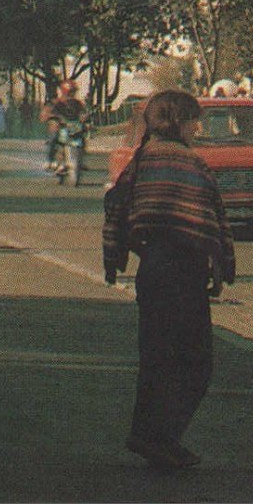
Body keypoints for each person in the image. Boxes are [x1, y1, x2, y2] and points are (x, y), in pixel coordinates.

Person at [102, 89, 234, 471]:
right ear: (177, 122)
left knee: (157, 359)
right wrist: (220, 265)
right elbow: (213, 217)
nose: (199, 126)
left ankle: (151, 436)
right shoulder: (191, 164)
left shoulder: (140, 160)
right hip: (184, 271)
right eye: (194, 119)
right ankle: (161, 437)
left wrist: (114, 258)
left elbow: (116, 208)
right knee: (196, 362)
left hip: (153, 270)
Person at [43, 78, 87, 173]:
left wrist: (85, 117)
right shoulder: (57, 102)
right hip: (61, 127)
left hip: (74, 127)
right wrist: (52, 117)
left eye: (74, 92)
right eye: (71, 92)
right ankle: (50, 161)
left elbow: (84, 112)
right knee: (54, 137)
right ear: (65, 91)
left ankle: (80, 160)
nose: (72, 94)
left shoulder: (78, 103)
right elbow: (46, 112)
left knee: (82, 138)